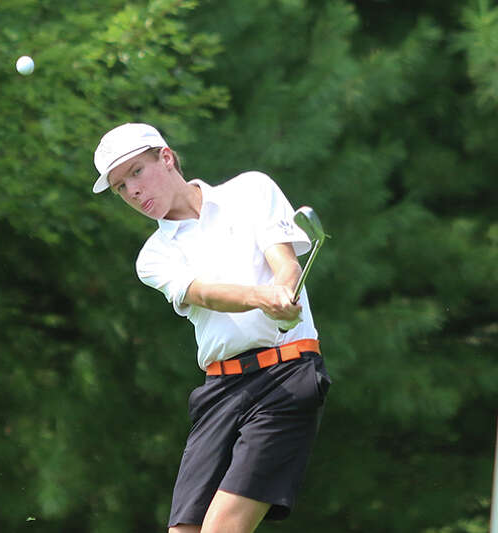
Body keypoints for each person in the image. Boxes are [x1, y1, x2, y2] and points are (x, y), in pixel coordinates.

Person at [92, 123, 331, 533]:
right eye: (119, 187)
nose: (131, 191)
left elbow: (286, 263)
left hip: (287, 377)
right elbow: (203, 293)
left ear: (165, 158)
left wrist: (283, 292)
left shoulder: (251, 190)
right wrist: (263, 298)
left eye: (135, 172)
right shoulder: (153, 256)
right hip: (219, 390)